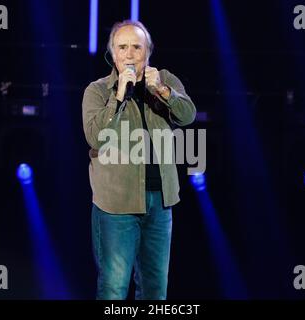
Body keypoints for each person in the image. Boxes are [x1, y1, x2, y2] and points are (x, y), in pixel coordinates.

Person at [82, 20, 196, 300]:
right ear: (112, 53)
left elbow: (188, 115)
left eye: (137, 47)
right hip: (116, 205)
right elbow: (96, 137)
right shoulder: (97, 91)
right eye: (123, 47)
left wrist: (162, 91)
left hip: (160, 202)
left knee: (155, 289)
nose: (130, 54)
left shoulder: (165, 80)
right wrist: (119, 95)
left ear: (148, 53)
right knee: (114, 288)